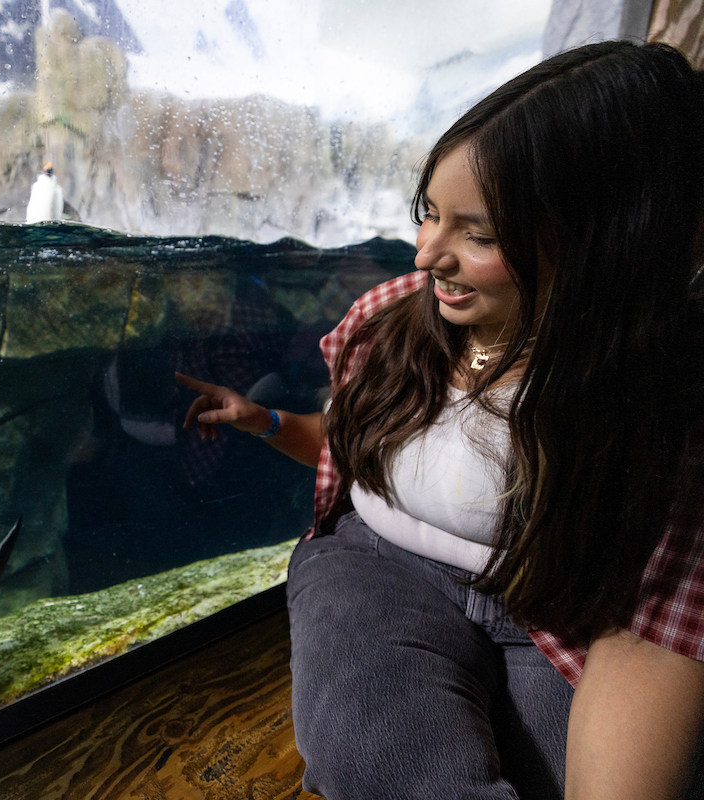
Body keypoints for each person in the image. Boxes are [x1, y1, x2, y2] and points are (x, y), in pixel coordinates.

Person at [178, 41, 704, 799]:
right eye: (428, 214)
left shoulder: (665, 404)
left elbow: (653, 641)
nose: (426, 254)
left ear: (599, 241)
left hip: (561, 610)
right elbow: (361, 449)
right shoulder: (388, 320)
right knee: (381, 758)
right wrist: (266, 422)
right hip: (380, 569)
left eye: (477, 234)